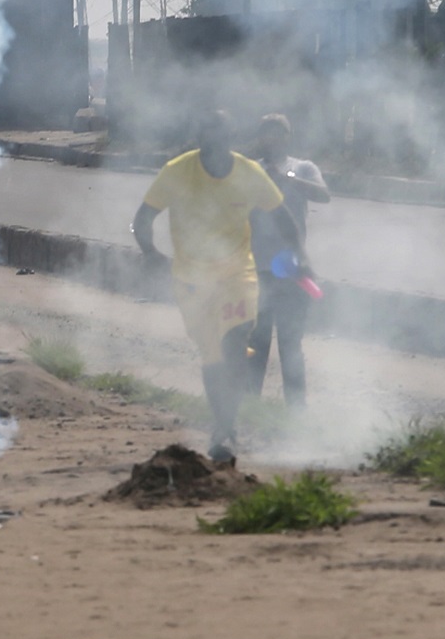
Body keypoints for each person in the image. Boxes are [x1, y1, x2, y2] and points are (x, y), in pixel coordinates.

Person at [132, 110, 308, 462]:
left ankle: (226, 431)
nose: (213, 145)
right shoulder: (177, 171)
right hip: (192, 280)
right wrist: (150, 252)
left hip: (237, 273)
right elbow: (144, 217)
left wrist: (301, 257)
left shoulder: (249, 173)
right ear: (199, 140)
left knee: (236, 338)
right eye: (206, 138)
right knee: (212, 357)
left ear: (230, 139)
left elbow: (282, 216)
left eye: (220, 137)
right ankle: (222, 421)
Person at [246, 114, 330, 412]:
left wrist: (288, 181)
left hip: (293, 269)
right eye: (266, 133)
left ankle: (296, 411)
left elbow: (324, 195)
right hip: (257, 268)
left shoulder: (302, 168)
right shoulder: (251, 169)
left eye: (278, 133)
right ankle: (250, 407)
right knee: (256, 343)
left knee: (291, 345)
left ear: (287, 137)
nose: (272, 139)